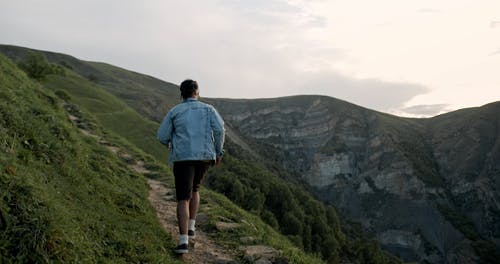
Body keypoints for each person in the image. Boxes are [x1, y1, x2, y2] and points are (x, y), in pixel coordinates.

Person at [157, 79, 225, 254]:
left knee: (182, 198)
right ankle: (192, 226)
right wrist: (218, 152)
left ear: (181, 93)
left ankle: (183, 241)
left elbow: (162, 136)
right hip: (204, 157)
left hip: (183, 158)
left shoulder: (175, 111)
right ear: (197, 92)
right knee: (195, 188)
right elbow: (220, 130)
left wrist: (171, 144)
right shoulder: (208, 109)